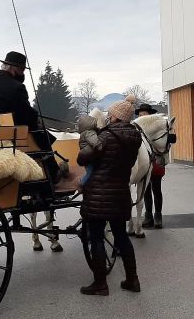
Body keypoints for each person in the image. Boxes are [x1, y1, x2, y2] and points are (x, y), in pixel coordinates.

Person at [77, 95, 142, 295]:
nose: (107, 116)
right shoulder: (134, 138)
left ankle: (100, 284)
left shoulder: (104, 137)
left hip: (98, 195)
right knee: (121, 237)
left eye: (109, 113)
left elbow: (82, 159)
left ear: (115, 116)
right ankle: (132, 280)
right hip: (120, 194)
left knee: (96, 237)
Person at [0, 51, 61, 182]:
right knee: (42, 134)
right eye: (22, 70)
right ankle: (53, 174)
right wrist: (36, 117)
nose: (23, 74)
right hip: (13, 133)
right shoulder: (16, 87)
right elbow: (26, 113)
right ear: (14, 69)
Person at [136, 104, 166, 229]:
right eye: (140, 114)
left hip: (156, 162)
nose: (142, 116)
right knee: (146, 191)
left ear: (149, 115)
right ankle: (148, 216)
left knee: (157, 190)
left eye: (144, 114)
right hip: (143, 163)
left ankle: (158, 216)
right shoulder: (137, 130)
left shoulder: (156, 128)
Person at [77, 115, 103, 192]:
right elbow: (93, 140)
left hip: (87, 156)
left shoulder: (85, 132)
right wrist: (99, 145)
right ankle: (81, 183)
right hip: (89, 157)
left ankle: (86, 183)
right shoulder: (89, 132)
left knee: (90, 171)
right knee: (90, 172)